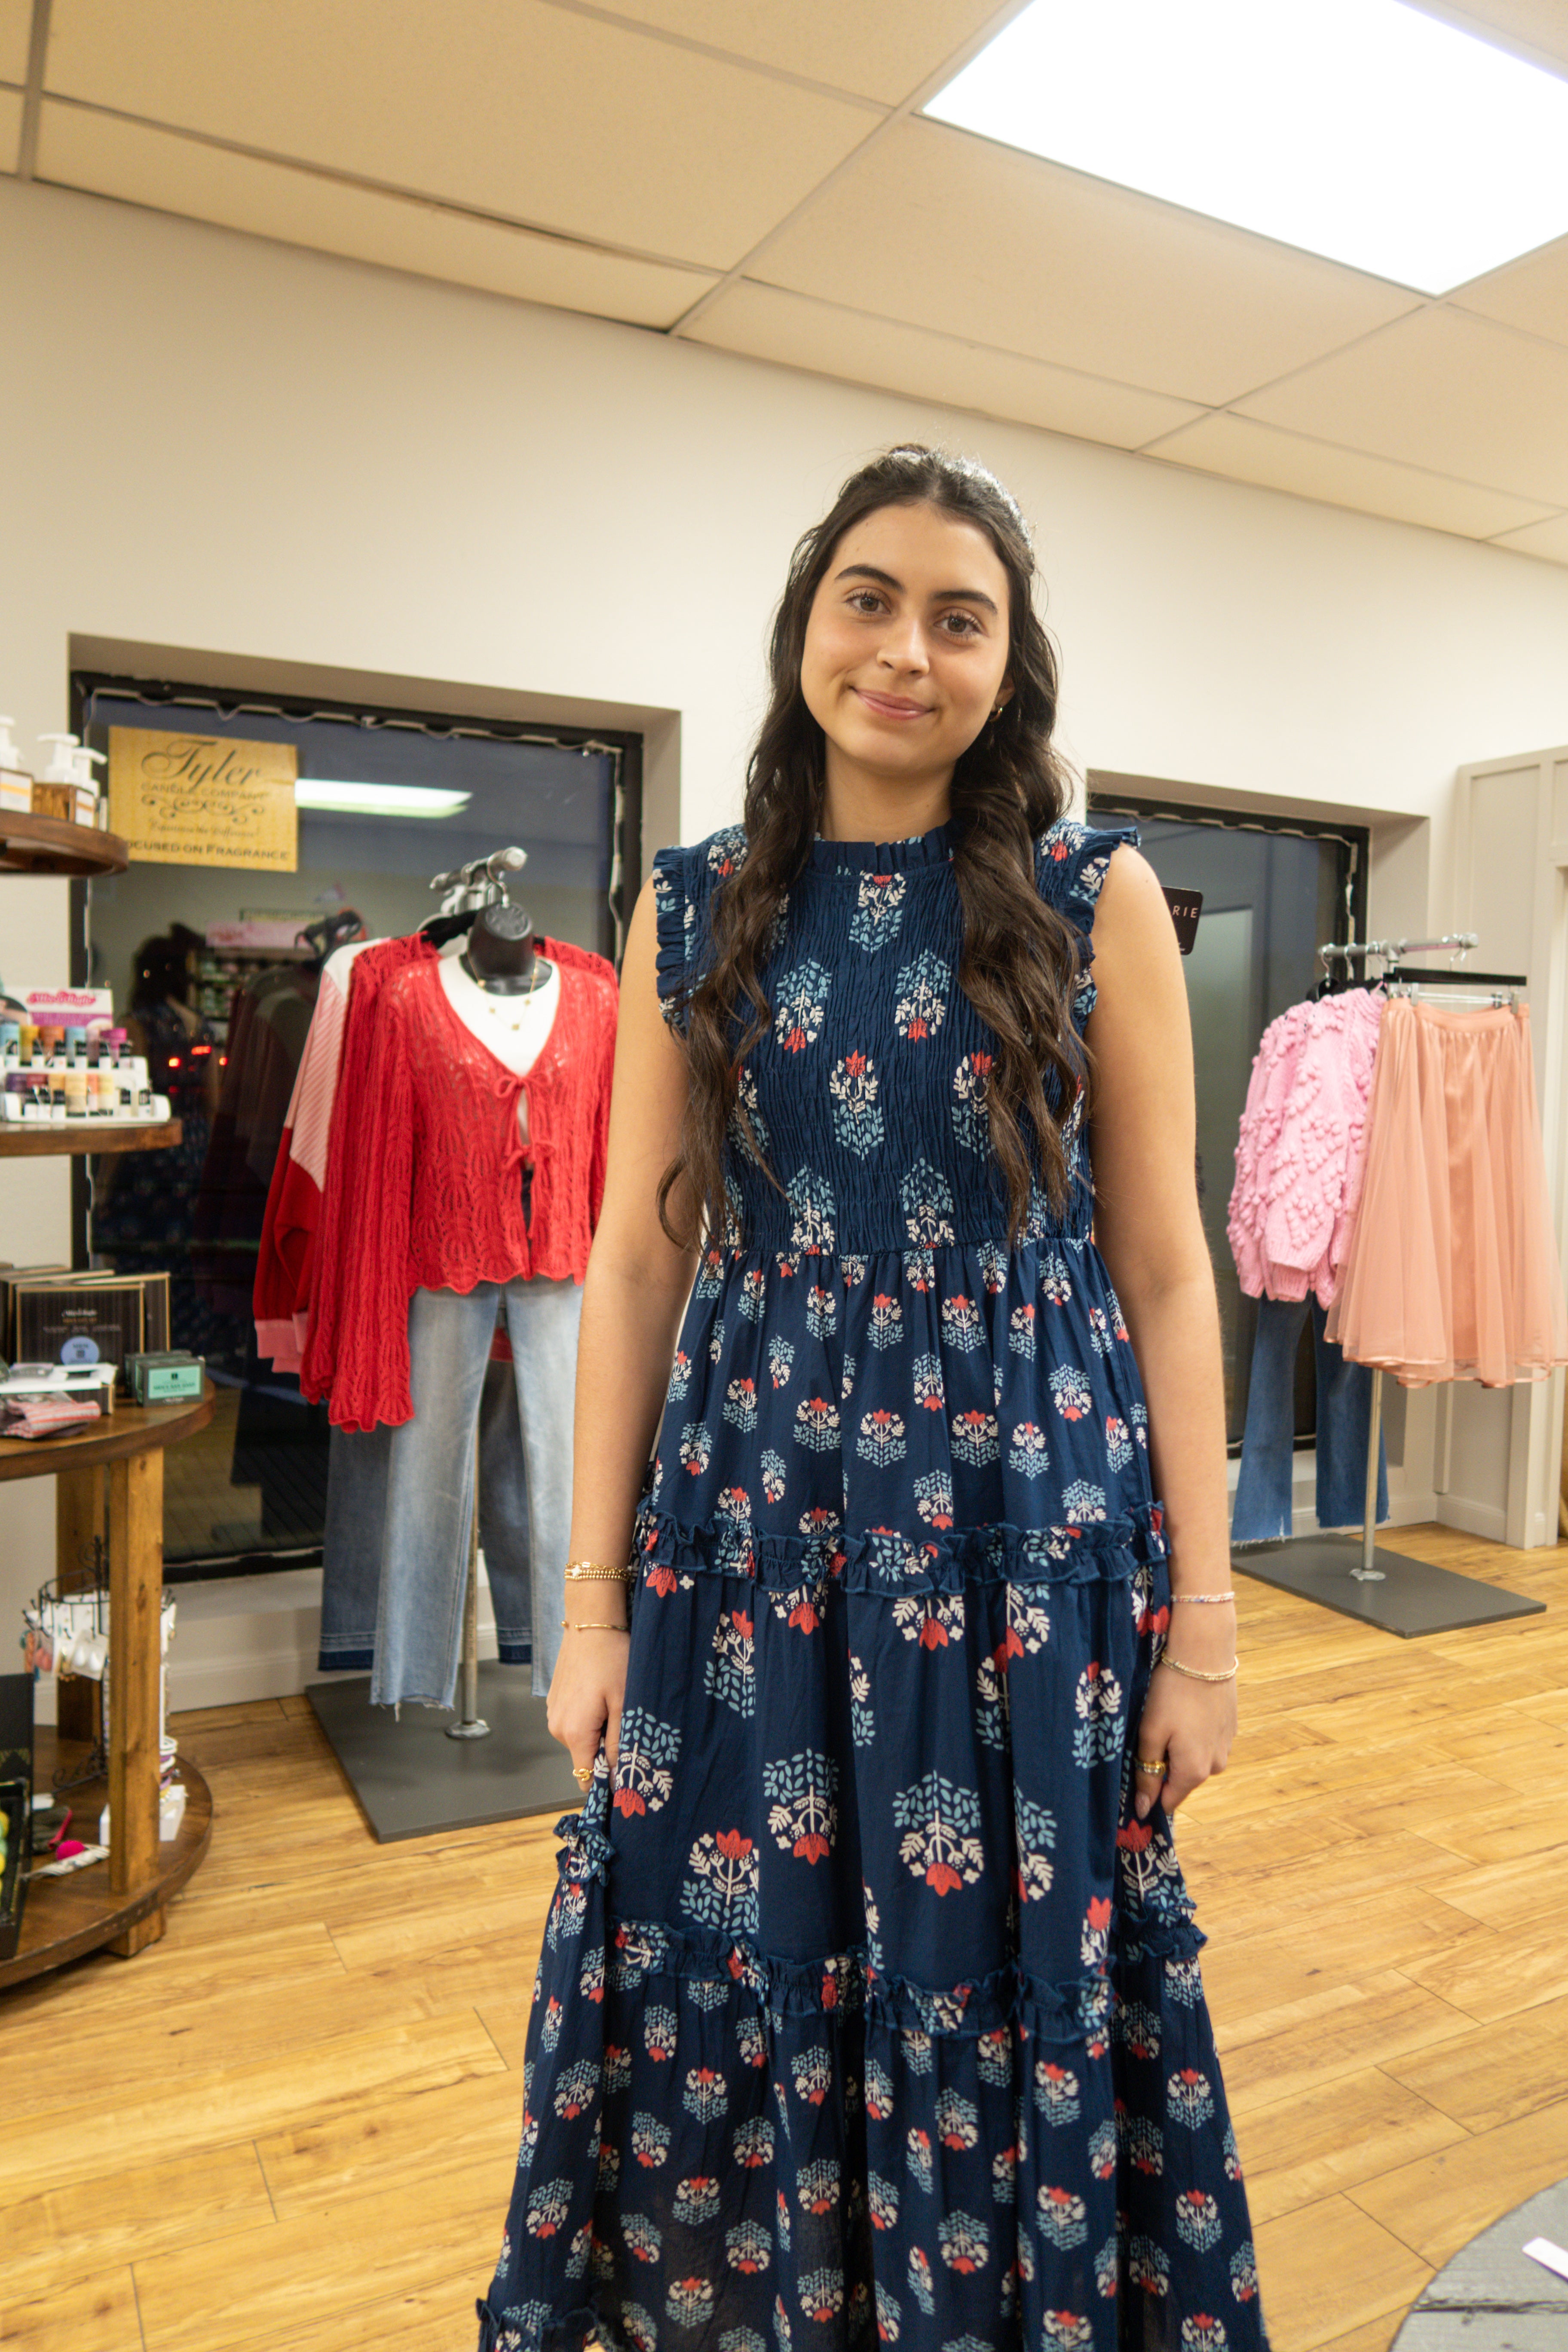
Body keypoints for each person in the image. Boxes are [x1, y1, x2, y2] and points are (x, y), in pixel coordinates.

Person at [477, 446, 1266, 2351]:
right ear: (806, 623)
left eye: (960, 616)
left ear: (1012, 663)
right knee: (746, 1952)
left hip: (1025, 1546)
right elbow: (637, 1262)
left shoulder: (1098, 898)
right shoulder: (703, 903)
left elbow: (1165, 1267)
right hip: (755, 1537)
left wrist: (1214, 1626)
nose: (907, 648)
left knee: (998, 1963)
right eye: (870, 598)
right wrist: (585, 1605)